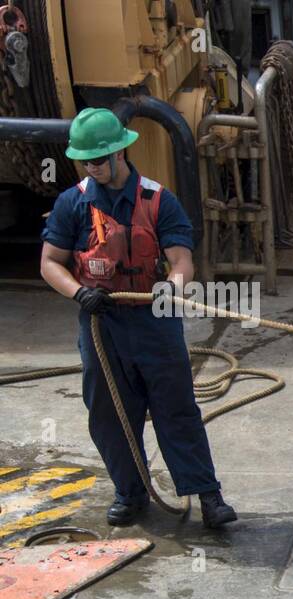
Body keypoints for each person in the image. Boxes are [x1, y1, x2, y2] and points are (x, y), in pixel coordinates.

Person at [38, 108, 236, 529]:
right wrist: (80, 293)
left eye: (97, 160)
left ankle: (207, 494)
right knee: (108, 413)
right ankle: (129, 492)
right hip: (101, 325)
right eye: (85, 161)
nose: (91, 167)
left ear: (119, 154)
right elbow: (50, 262)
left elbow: (182, 261)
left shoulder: (159, 200)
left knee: (176, 408)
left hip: (154, 323)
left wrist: (174, 288)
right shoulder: (72, 204)